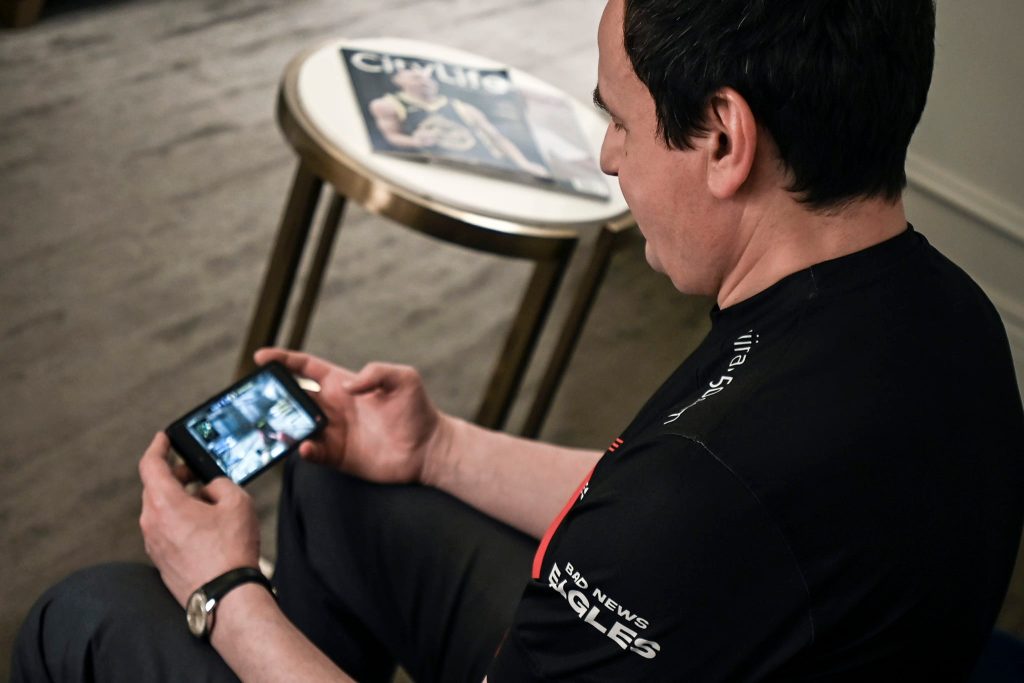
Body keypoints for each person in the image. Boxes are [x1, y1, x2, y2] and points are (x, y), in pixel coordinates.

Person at [12, 0, 1024, 681]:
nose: (609, 156)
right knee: (344, 482)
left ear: (723, 137)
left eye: (620, 118)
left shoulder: (698, 493)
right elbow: (691, 523)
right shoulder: (951, 321)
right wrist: (437, 447)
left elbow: (682, 517)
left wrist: (225, 591)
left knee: (85, 611)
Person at [368, 67, 550, 178]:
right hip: (436, 171)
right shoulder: (388, 105)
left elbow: (497, 137)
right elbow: (392, 136)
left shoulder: (462, 107)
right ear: (399, 81)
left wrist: (523, 164)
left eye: (428, 78)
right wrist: (415, 142)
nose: (424, 80)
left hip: (483, 166)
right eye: (416, 77)